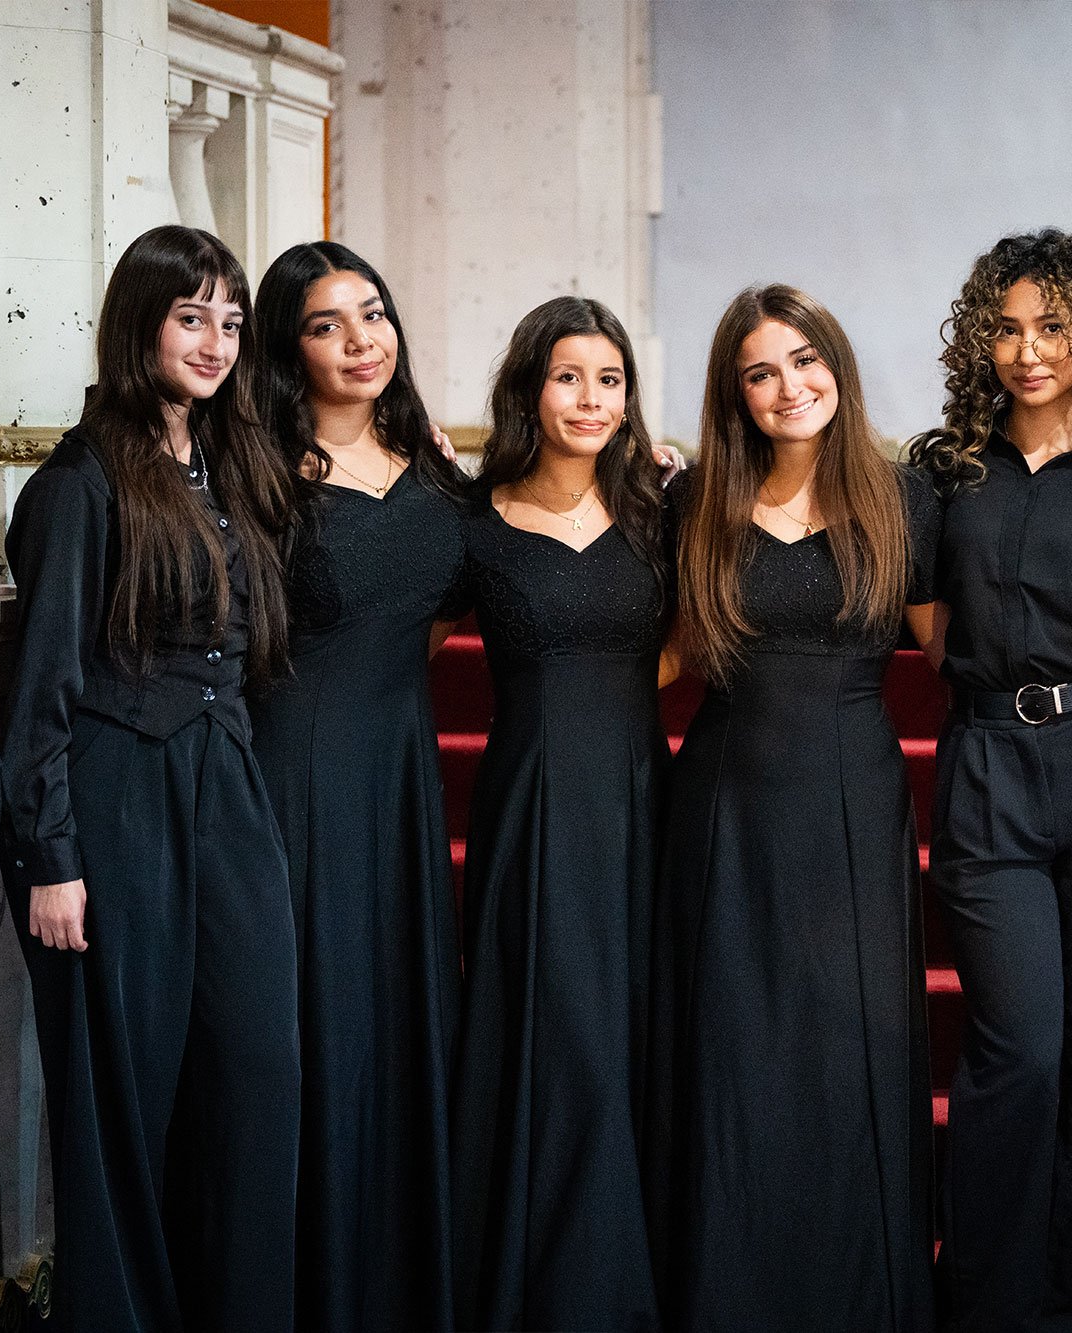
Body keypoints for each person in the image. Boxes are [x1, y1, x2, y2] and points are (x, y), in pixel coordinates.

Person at [0, 224, 300, 1331]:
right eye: (191, 316)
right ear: (143, 323)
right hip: (118, 807)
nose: (216, 340)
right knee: (122, 1099)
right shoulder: (81, 482)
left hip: (227, 791)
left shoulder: (228, 461)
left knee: (256, 1074)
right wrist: (53, 858)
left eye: (229, 319)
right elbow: (39, 692)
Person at [645, 283, 940, 1332]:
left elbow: (954, 643)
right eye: (759, 371)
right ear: (736, 392)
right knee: (734, 1061)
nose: (787, 386)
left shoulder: (902, 498)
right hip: (722, 807)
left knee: (844, 1054)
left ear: (838, 366)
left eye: (804, 360)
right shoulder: (700, 505)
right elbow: (670, 660)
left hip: (852, 808)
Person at [906, 227, 1072, 1331]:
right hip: (987, 770)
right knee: (1017, 1051)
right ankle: (992, 1302)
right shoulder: (941, 469)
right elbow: (927, 630)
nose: (1027, 351)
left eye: (1052, 326)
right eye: (1007, 329)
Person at [249, 240, 470, 1331]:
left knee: (395, 1027)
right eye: (327, 324)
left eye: (372, 313)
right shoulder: (260, 473)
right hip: (299, 773)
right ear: (290, 348)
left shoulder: (431, 468)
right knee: (319, 1031)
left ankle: (393, 1287)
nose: (359, 340)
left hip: (397, 777)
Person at [447, 296, 674, 1331]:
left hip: (641, 800)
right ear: (529, 389)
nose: (591, 399)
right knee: (555, 1035)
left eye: (610, 379)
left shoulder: (659, 512)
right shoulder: (474, 523)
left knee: (629, 1031)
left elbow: (695, 642)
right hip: (530, 806)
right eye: (569, 376)